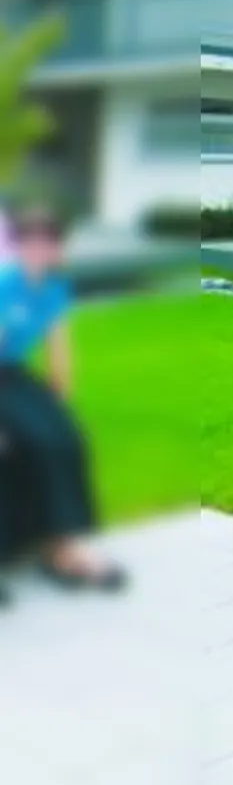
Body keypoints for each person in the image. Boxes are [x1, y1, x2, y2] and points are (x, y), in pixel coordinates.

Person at [0, 209, 124, 593]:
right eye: (30, 242)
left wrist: (58, 407)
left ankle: (63, 547)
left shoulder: (53, 290)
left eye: (48, 242)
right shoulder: (5, 285)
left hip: (13, 375)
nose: (39, 250)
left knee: (66, 440)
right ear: (18, 247)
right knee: (18, 445)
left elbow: (59, 352)